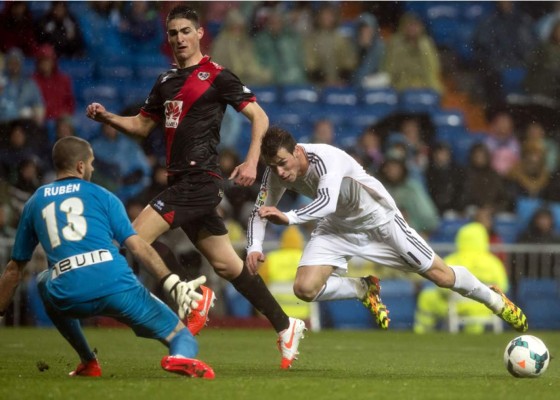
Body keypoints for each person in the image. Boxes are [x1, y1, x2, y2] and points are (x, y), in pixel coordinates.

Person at [86, 5, 305, 369]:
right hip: (181, 181)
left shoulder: (216, 75)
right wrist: (107, 116)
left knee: (133, 238)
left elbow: (260, 116)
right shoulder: (165, 81)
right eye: (173, 33)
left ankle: (190, 294)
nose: (179, 39)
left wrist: (253, 161)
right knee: (227, 265)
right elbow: (142, 127)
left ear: (200, 33)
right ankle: (286, 325)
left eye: (186, 31)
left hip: (200, 180)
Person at [246, 126, 528, 334]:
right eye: (273, 166)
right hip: (337, 228)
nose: (280, 172)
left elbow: (326, 202)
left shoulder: (326, 158)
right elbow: (260, 211)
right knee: (304, 288)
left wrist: (290, 217)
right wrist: (255, 247)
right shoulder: (275, 174)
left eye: (283, 163)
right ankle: (362, 288)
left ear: (297, 151)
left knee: (441, 276)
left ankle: (496, 301)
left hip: (379, 222)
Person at [0, 136, 214, 379]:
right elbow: (137, 247)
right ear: (81, 166)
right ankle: (179, 358)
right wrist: (170, 281)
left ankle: (88, 361)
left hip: (68, 293)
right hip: (116, 285)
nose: (92, 168)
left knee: (42, 281)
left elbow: (13, 269)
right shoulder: (104, 195)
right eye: (90, 163)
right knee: (182, 335)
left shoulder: (35, 201)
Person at [414, 222, 509, 334]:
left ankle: (422, 333)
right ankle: (474, 340)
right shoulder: (493, 263)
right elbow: (503, 287)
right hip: (483, 308)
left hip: (454, 307)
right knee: (479, 312)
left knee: (427, 296)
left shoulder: (452, 260)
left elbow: (442, 285)